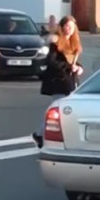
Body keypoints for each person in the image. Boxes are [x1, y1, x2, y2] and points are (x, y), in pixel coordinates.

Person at [33, 16, 84, 148]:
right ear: (62, 27)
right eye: (67, 26)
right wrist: (68, 67)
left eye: (72, 27)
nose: (70, 29)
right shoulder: (56, 42)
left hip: (69, 80)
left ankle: (42, 134)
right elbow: (52, 61)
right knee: (57, 110)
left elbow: (73, 61)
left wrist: (79, 67)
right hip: (57, 81)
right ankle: (40, 134)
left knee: (64, 110)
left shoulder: (74, 42)